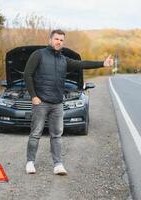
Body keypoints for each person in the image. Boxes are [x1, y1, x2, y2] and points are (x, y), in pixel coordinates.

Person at [24, 29, 113, 175]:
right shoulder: (38, 55)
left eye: (61, 40)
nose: (59, 42)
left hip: (57, 103)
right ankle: (30, 162)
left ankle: (58, 165)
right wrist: (33, 96)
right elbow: (27, 74)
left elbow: (82, 64)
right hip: (41, 103)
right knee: (35, 133)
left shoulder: (63, 60)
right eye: (56, 39)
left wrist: (102, 63)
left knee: (57, 135)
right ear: (50, 40)